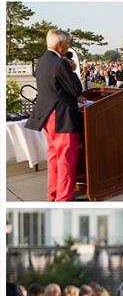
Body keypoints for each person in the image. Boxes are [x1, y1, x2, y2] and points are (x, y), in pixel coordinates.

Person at [25, 29, 83, 202]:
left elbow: (53, 87)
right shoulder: (60, 63)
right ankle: (64, 199)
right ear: (60, 44)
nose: (68, 48)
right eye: (67, 44)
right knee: (66, 160)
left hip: (47, 115)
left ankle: (53, 195)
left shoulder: (42, 61)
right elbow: (75, 89)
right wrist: (73, 70)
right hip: (62, 117)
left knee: (53, 158)